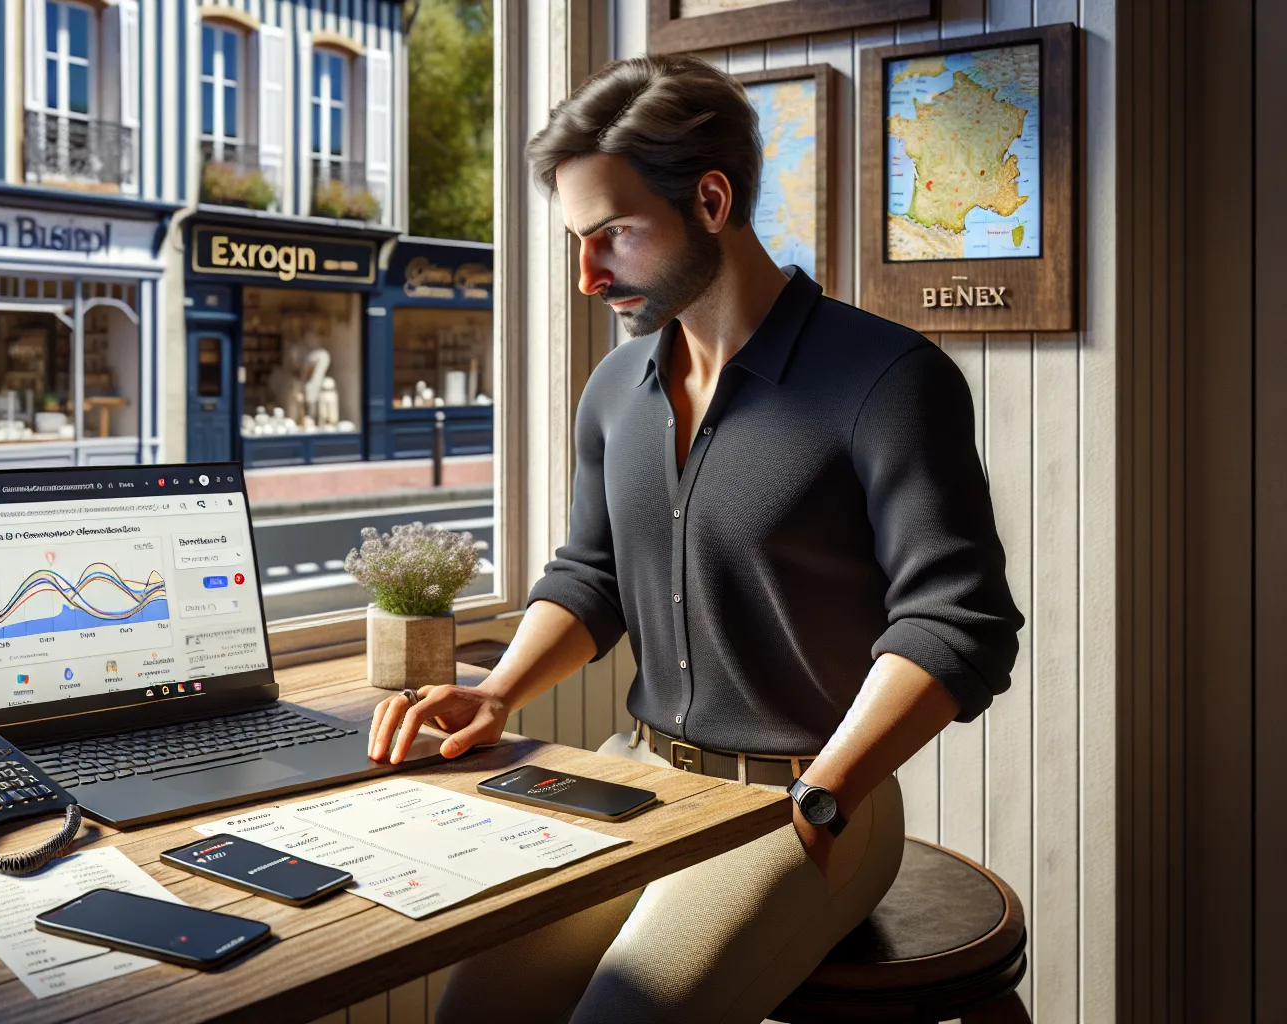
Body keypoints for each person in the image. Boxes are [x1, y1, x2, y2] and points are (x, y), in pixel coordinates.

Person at [366, 53, 1023, 1024]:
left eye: (613, 237)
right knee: (470, 1014)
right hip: (630, 773)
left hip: (806, 801)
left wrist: (827, 795)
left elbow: (958, 623)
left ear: (710, 200)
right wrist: (496, 689)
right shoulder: (612, 394)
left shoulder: (889, 380)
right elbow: (589, 576)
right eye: (575, 243)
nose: (588, 276)